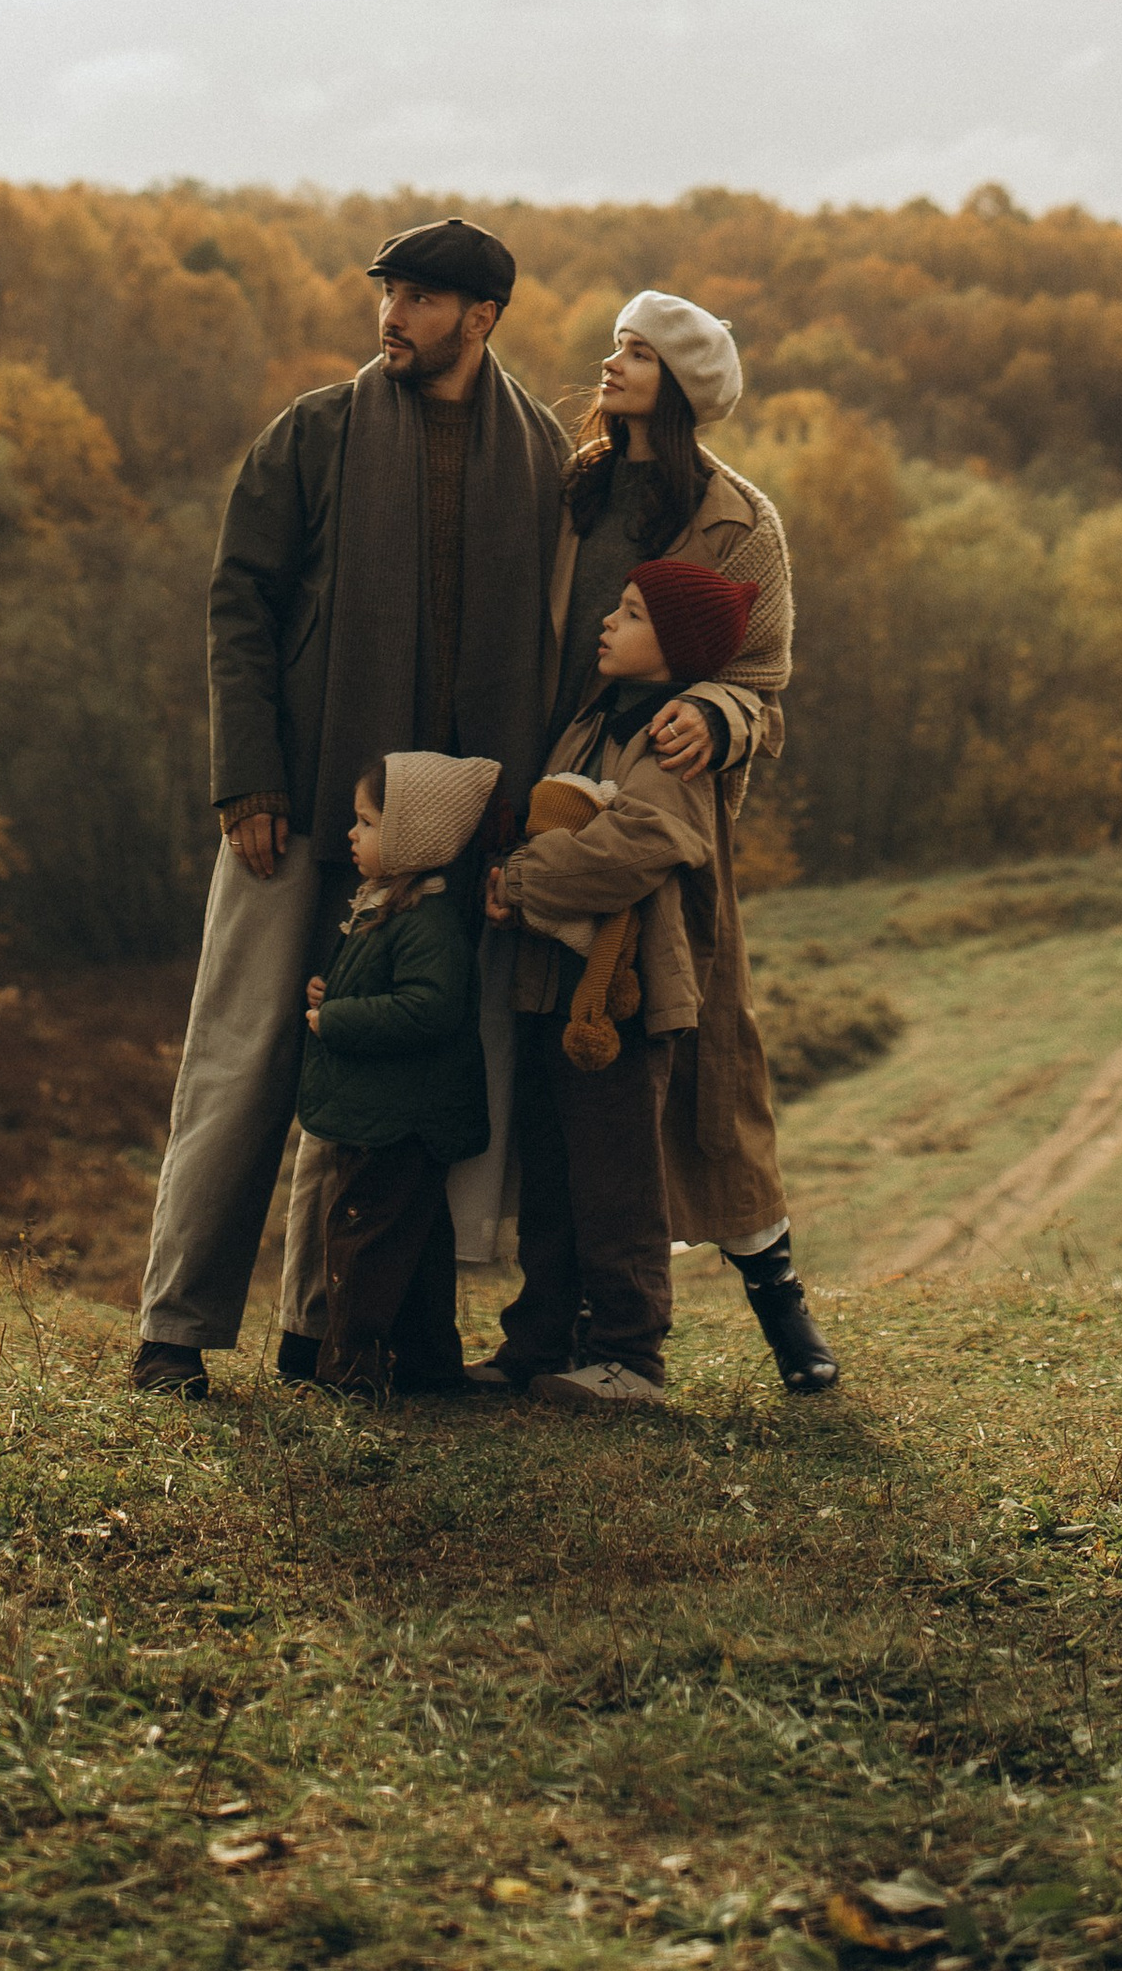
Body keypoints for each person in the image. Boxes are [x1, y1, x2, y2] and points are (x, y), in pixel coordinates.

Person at [131, 216, 568, 1397]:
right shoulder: (314, 432)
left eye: (423, 299)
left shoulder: (540, 455)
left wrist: (509, 825)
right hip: (306, 800)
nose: (393, 316)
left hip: (446, 828)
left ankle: (325, 1333)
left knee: (381, 1077)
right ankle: (173, 1330)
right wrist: (248, 776)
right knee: (246, 1053)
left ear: (482, 317)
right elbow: (240, 606)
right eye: (387, 293)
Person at [555, 290, 838, 1393]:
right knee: (568, 1065)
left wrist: (715, 714)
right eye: (616, 344)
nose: (611, 362)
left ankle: (780, 1306)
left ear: (679, 385)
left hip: (668, 813)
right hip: (555, 793)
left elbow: (762, 686)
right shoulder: (566, 492)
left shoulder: (740, 521)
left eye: (637, 352)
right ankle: (574, 1323)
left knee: (710, 1068)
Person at [483, 558, 756, 1407]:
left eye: (632, 614)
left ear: (673, 646)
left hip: (623, 998)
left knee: (617, 1181)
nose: (609, 621)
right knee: (554, 1179)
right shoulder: (594, 718)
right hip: (550, 988)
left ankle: (631, 1354)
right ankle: (540, 1342)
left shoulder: (670, 738)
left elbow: (644, 841)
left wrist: (522, 882)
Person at [296, 750, 501, 1395]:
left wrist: (339, 1020)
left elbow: (428, 1010)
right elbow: (388, 989)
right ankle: (429, 1366)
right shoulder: (388, 908)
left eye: (367, 822)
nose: (352, 835)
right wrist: (336, 991)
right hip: (390, 1112)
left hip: (401, 1118)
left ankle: (350, 1373)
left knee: (364, 1241)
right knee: (416, 1245)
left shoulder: (427, 921)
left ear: (409, 836)